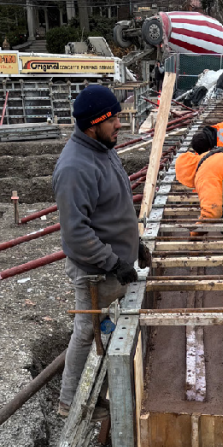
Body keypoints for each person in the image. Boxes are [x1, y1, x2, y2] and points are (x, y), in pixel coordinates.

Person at [52, 85, 147, 417]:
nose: (120, 124)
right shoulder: (75, 168)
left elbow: (113, 208)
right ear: (93, 123)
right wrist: (113, 261)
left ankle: (104, 386)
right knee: (87, 331)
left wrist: (137, 245)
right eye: (114, 119)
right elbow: (76, 233)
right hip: (97, 270)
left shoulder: (102, 148)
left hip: (116, 263)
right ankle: (69, 403)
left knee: (105, 328)